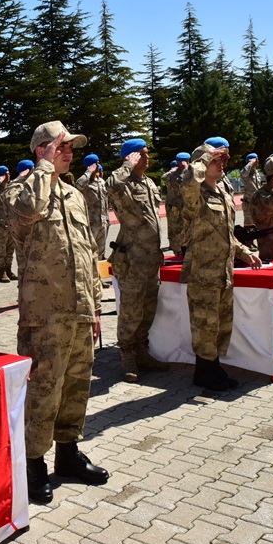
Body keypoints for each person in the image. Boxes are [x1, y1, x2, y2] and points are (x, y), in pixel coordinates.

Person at [4, 121, 109, 504]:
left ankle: (68, 453)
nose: (69, 153)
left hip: (80, 309)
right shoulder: (19, 190)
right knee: (44, 390)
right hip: (44, 315)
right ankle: (33, 463)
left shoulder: (74, 194)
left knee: (76, 384)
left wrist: (95, 306)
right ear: (42, 150)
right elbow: (28, 210)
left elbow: (88, 253)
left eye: (70, 148)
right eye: (61, 147)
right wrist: (44, 168)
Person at [180, 137, 261, 391]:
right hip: (203, 273)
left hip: (223, 272)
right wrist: (206, 156)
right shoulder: (195, 194)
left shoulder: (223, 193)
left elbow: (226, 234)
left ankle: (212, 366)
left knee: (220, 324)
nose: (222, 163)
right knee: (205, 325)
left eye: (224, 158)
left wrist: (244, 252)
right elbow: (189, 181)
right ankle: (204, 373)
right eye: (217, 159)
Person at [106, 138, 169, 382]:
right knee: (131, 311)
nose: (147, 157)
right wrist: (126, 165)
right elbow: (111, 185)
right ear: (130, 157)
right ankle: (127, 355)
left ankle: (142, 351)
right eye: (141, 154)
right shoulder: (123, 183)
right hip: (131, 260)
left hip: (151, 257)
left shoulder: (149, 183)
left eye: (147, 153)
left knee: (148, 309)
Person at [75, 154, 111, 260]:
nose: (98, 165)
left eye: (98, 163)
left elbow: (105, 201)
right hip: (90, 224)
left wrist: (107, 219)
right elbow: (78, 185)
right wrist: (89, 171)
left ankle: (99, 269)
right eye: (96, 163)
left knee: (101, 252)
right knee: (89, 252)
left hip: (103, 222)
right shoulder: (85, 182)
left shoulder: (101, 182)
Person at [163, 153, 189, 256]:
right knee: (175, 228)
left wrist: (187, 169)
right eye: (181, 162)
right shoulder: (173, 175)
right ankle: (177, 250)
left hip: (187, 206)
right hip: (175, 207)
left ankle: (185, 248)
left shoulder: (190, 172)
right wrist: (172, 170)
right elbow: (164, 177)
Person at [239, 153, 263, 227]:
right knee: (249, 225)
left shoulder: (256, 172)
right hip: (249, 202)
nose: (258, 161)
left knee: (258, 224)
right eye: (256, 159)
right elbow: (243, 174)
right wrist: (251, 163)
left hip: (257, 202)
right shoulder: (247, 173)